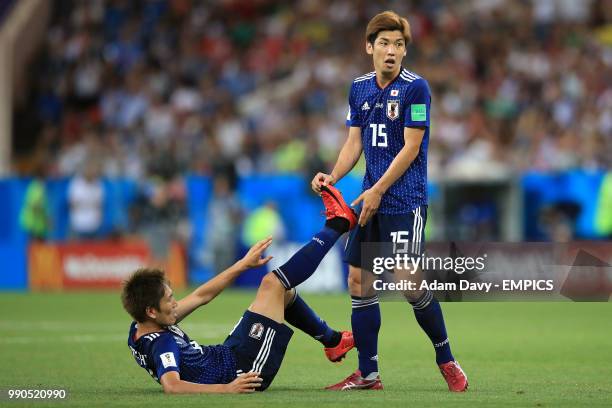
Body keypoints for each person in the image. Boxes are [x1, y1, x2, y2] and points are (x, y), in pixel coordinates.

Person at [311, 11, 468, 391]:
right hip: (370, 199)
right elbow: (354, 143)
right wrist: (333, 176)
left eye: (399, 44)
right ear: (370, 47)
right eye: (384, 43)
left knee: (408, 282)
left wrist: (379, 189)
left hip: (404, 201)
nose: (392, 51)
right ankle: (369, 374)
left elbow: (412, 148)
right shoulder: (359, 88)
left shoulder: (417, 89)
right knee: (358, 282)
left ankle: (446, 358)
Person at [122, 185, 357, 393]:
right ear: (152, 311)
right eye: (169, 300)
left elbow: (201, 295)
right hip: (243, 369)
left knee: (280, 293)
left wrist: (242, 264)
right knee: (273, 283)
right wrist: (227, 389)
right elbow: (172, 386)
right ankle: (337, 225)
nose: (175, 303)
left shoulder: (143, 324)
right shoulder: (161, 342)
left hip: (228, 353)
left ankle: (333, 341)